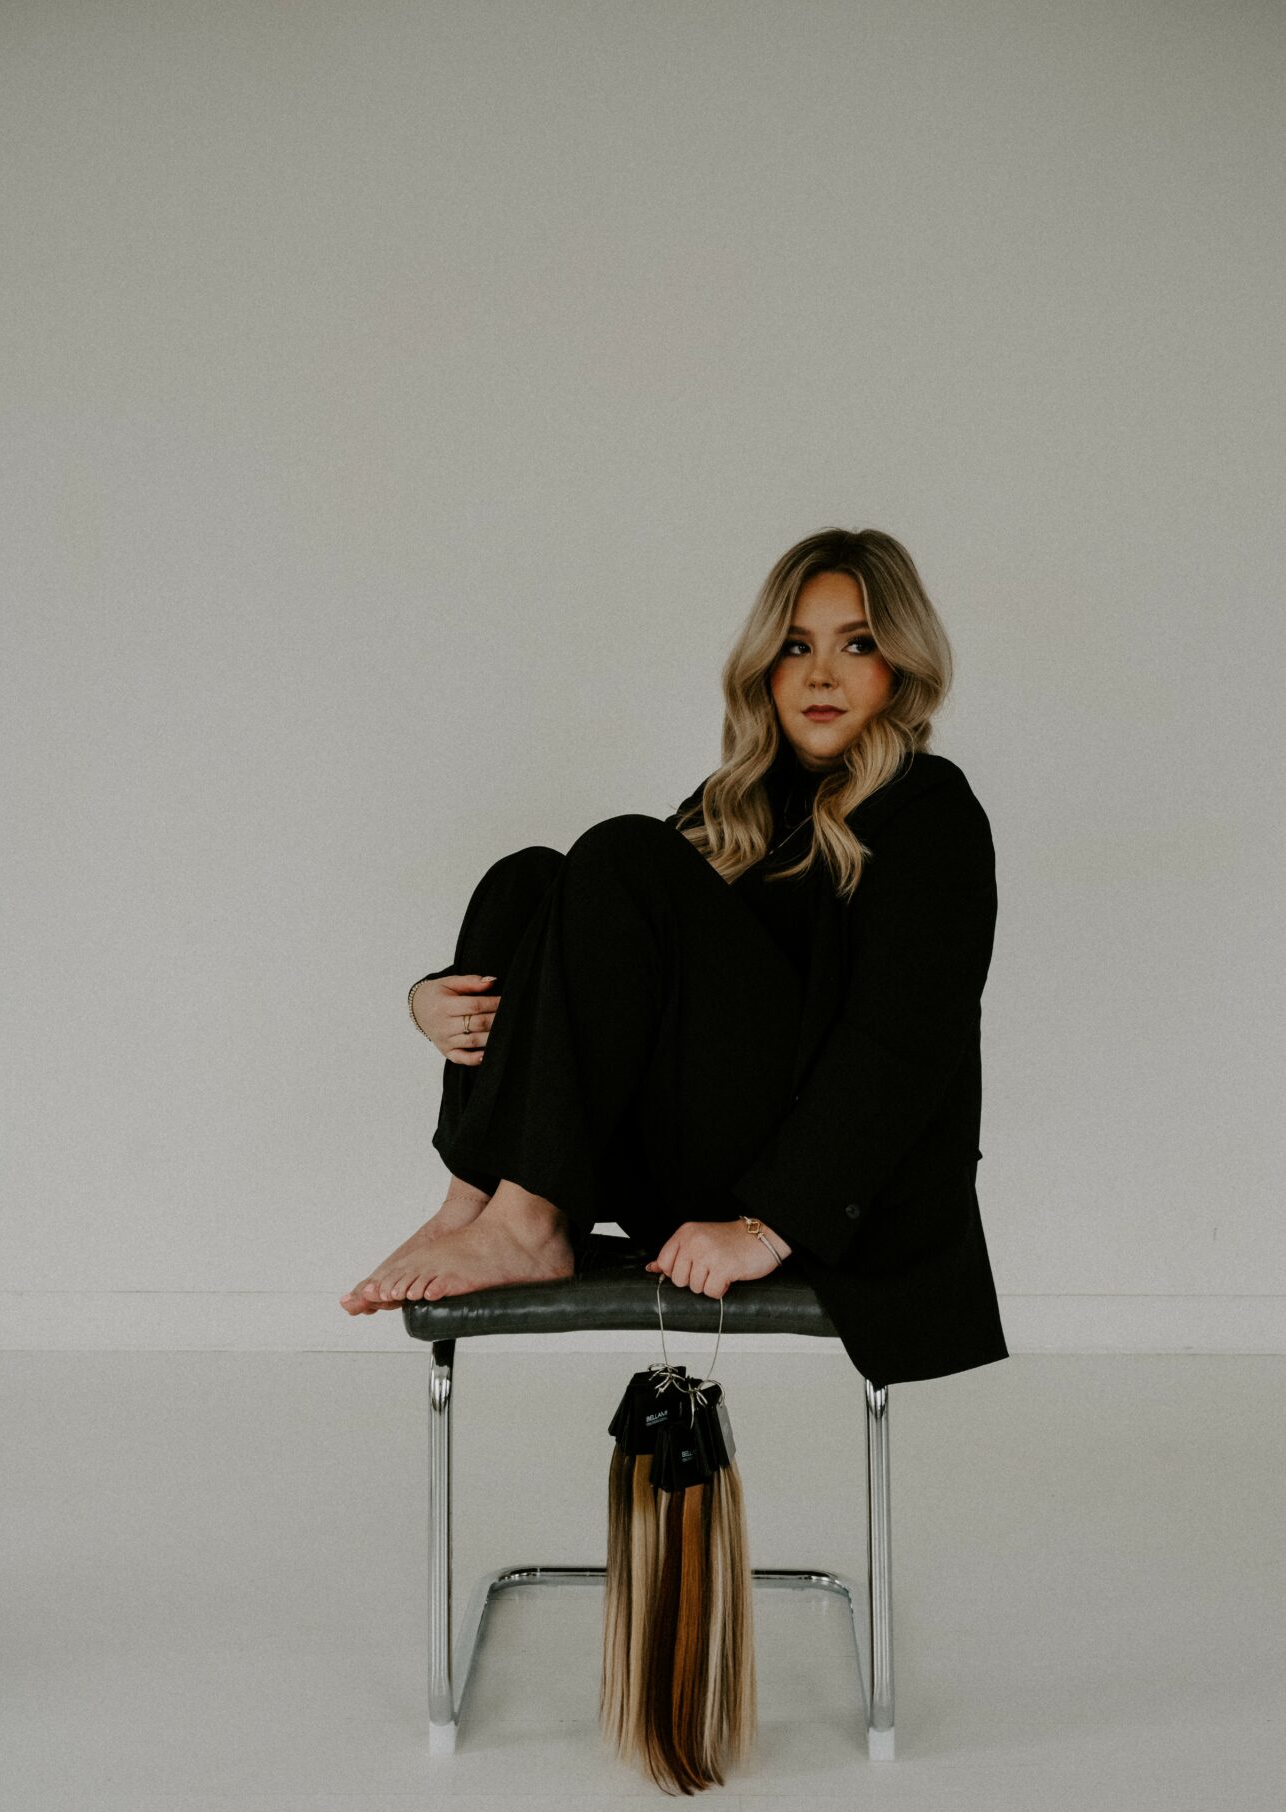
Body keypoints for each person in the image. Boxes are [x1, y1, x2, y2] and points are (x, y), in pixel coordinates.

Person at [339, 526, 1008, 1391]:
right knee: (529, 882)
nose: (819, 675)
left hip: (823, 1189)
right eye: (794, 646)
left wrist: (766, 1228)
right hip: (700, 1154)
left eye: (856, 645)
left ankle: (528, 1223)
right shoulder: (738, 803)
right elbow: (593, 945)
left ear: (901, 665)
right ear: (763, 666)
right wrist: (429, 1000)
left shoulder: (929, 809)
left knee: (621, 854)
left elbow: (902, 1048)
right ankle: (472, 1202)